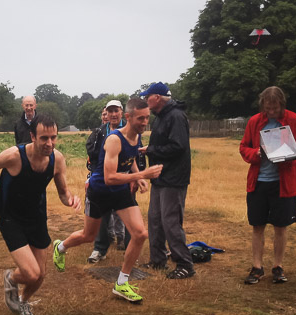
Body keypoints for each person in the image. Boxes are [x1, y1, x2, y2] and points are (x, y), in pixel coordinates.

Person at [0, 115, 81, 315]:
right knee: (30, 273)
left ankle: (22, 301)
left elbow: (63, 193)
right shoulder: (14, 156)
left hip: (36, 216)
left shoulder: (57, 159)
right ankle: (10, 278)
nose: (49, 143)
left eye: (53, 138)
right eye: (44, 138)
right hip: (10, 217)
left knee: (40, 275)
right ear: (32, 136)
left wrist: (71, 199)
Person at [52, 98, 163, 303]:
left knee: (140, 234)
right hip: (100, 192)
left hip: (120, 192)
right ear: (128, 117)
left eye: (147, 118)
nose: (144, 122)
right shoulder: (114, 139)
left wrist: (138, 176)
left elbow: (128, 162)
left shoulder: (136, 137)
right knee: (88, 235)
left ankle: (121, 283)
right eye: (140, 118)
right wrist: (144, 174)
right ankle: (60, 247)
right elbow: (109, 177)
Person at [239, 86, 296, 284]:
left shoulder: (294, 120)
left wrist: (285, 155)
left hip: (284, 184)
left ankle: (278, 266)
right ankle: (257, 267)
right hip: (259, 183)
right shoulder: (254, 121)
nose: (271, 112)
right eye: (268, 109)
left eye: (275, 108)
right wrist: (256, 154)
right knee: (257, 225)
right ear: (263, 106)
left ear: (281, 105)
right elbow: (243, 148)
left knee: (280, 226)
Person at [138, 82, 195, 279]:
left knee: (170, 221)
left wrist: (151, 150)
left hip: (173, 178)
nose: (146, 100)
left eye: (148, 96)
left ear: (158, 98)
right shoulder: (162, 117)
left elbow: (178, 146)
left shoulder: (176, 116)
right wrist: (150, 149)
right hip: (160, 177)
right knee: (155, 219)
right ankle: (158, 260)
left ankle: (184, 264)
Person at [86, 100, 128, 263]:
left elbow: (134, 152)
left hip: (122, 177)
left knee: (127, 213)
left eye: (116, 111)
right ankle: (100, 249)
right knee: (102, 215)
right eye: (110, 111)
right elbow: (93, 152)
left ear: (121, 112)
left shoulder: (127, 130)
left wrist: (136, 177)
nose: (113, 114)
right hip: (102, 179)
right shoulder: (100, 131)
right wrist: (93, 176)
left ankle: (128, 246)